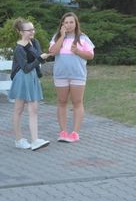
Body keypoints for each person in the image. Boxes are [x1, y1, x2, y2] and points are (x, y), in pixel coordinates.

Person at [48, 12, 95, 143]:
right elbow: (52, 52)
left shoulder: (83, 38)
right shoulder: (57, 36)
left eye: (71, 22)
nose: (68, 25)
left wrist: (78, 51)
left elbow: (91, 55)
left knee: (77, 102)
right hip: (60, 75)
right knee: (62, 102)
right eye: (66, 22)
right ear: (62, 24)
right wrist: (62, 36)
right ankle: (63, 132)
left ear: (76, 24)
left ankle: (75, 133)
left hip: (78, 75)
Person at [9, 18, 50, 151]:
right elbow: (26, 68)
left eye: (33, 29)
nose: (32, 32)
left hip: (32, 77)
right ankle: (19, 139)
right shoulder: (18, 49)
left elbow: (40, 60)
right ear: (20, 32)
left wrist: (40, 57)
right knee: (19, 109)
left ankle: (35, 140)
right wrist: (39, 58)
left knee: (33, 109)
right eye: (29, 30)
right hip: (22, 78)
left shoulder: (35, 42)